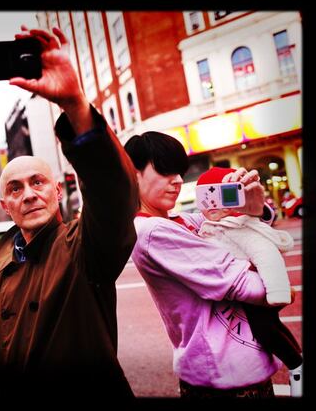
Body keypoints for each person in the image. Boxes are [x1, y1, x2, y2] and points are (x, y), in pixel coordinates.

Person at [0, 27, 139, 404]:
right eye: (15, 188)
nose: (29, 193)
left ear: (56, 191)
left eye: (38, 182)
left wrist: (75, 106)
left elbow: (114, 194)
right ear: (6, 205)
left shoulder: (84, 247)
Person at [124, 131, 294, 398]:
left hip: (236, 368)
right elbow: (255, 289)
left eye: (179, 171)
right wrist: (271, 278)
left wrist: (254, 207)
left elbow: (238, 228)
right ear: (133, 174)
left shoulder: (182, 220)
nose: (178, 180)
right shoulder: (152, 231)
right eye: (166, 171)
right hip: (223, 378)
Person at [196, 166, 303, 397]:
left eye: (221, 196)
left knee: (266, 329)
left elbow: (265, 252)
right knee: (271, 328)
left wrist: (277, 291)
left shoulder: (238, 225)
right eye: (207, 196)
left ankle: (296, 365)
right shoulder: (212, 225)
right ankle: (297, 364)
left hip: (254, 292)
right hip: (246, 292)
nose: (214, 205)